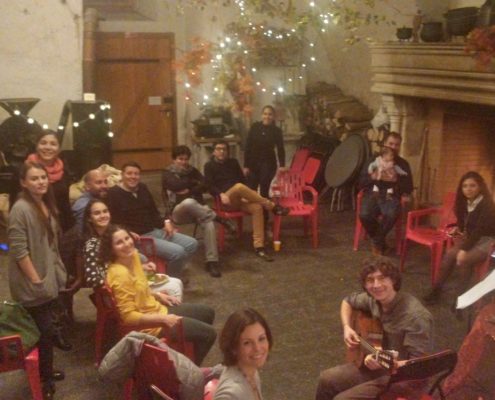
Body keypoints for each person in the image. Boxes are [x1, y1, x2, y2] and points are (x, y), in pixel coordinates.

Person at [315, 257, 434, 400]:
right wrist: (347, 327)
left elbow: (419, 365)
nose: (376, 285)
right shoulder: (373, 300)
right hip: (381, 367)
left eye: (382, 278)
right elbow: (347, 301)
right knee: (326, 379)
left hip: (405, 378)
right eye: (370, 280)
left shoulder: (415, 316)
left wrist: (385, 363)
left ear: (393, 280)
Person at [100, 225, 216, 365]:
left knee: (207, 313)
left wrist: (158, 295)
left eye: (127, 238)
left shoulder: (133, 256)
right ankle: (187, 371)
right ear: (111, 249)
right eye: (119, 242)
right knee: (209, 334)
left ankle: (185, 357)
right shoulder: (119, 274)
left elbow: (138, 289)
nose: (127, 244)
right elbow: (127, 317)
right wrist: (163, 319)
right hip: (150, 327)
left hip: (156, 310)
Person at [8, 161, 68, 399]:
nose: (41, 182)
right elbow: (19, 250)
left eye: (43, 177)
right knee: (43, 331)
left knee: (46, 330)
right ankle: (43, 379)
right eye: (34, 178)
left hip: (46, 277)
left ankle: (45, 371)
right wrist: (37, 281)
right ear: (23, 182)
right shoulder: (20, 209)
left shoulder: (44, 203)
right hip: (32, 283)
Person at [107, 161, 197, 280]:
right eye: (129, 173)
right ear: (122, 175)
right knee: (178, 252)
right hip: (138, 238)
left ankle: (175, 270)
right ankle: (170, 281)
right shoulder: (113, 193)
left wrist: (166, 222)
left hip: (154, 230)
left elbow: (154, 211)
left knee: (192, 243)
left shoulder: (142, 188)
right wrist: (127, 233)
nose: (133, 177)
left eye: (136, 174)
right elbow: (111, 222)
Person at [82, 199, 183, 301]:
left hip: (135, 280)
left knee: (175, 281)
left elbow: (125, 263)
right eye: (97, 213)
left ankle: (158, 304)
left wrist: (142, 268)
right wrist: (124, 281)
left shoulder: (114, 232)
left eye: (105, 211)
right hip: (121, 290)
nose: (103, 215)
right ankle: (160, 307)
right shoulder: (92, 244)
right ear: (89, 218)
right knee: (173, 288)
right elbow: (93, 279)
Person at [204, 140, 289, 262]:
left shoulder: (233, 162)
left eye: (224, 149)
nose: (222, 151)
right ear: (213, 152)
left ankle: (259, 246)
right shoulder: (209, 166)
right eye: (218, 149)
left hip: (238, 198)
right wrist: (220, 194)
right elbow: (209, 185)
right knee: (239, 187)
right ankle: (273, 206)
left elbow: (242, 180)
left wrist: (246, 194)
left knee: (257, 208)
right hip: (224, 201)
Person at [162, 145, 236, 278]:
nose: (183, 162)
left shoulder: (192, 170)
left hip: (199, 211)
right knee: (188, 202)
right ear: (174, 159)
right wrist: (192, 183)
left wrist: (188, 189)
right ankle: (218, 218)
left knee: (208, 222)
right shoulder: (167, 173)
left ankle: (212, 262)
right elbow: (175, 185)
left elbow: (205, 184)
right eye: (180, 159)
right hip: (178, 212)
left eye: (186, 159)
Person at [424, 171, 495, 305]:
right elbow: (465, 226)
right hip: (471, 237)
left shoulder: (487, 204)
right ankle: (436, 291)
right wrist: (457, 229)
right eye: (465, 186)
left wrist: (463, 249)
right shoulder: (465, 202)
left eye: (472, 185)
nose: (468, 189)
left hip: (487, 241)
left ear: (480, 186)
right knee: (449, 255)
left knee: (464, 259)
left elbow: (480, 230)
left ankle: (460, 298)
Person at [359, 132, 413, 255]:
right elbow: (361, 182)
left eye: (397, 145)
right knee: (364, 215)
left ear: (400, 146)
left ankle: (377, 241)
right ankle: (381, 242)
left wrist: (396, 181)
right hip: (373, 193)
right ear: (384, 144)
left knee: (391, 213)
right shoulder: (373, 160)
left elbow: (409, 187)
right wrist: (372, 177)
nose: (393, 147)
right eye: (391, 143)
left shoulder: (403, 164)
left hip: (391, 195)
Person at [214, 308, 272, 400]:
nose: (257, 348)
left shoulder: (250, 370)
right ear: (233, 347)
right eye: (247, 343)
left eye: (261, 339)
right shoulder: (231, 394)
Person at [25, 130, 74, 232]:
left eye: (53, 144)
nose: (48, 147)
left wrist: (71, 231)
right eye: (43, 143)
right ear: (36, 146)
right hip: (32, 227)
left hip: (59, 226)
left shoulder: (64, 172)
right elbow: (15, 203)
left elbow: (65, 204)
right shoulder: (25, 170)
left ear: (59, 149)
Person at [244, 105, 286, 200]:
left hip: (268, 164)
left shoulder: (277, 131)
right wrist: (246, 165)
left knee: (264, 190)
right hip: (253, 163)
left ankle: (265, 209)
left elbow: (280, 148)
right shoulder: (254, 127)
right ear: (262, 115)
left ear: (273, 117)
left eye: (270, 114)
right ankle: (256, 209)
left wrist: (282, 165)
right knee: (252, 191)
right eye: (265, 114)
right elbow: (248, 147)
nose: (267, 116)